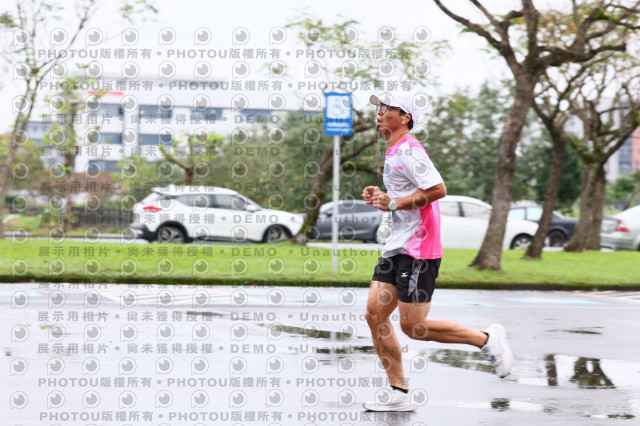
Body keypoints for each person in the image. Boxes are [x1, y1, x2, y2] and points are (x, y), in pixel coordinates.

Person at [361, 94, 513, 412]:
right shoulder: (394, 151)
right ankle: (399, 392)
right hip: (397, 246)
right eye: (379, 107)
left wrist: (394, 203)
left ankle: (486, 339)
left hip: (418, 249)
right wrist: (382, 197)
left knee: (414, 327)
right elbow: (406, 196)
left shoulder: (410, 150)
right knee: (375, 315)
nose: (379, 112)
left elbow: (437, 190)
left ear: (404, 117)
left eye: (386, 108)